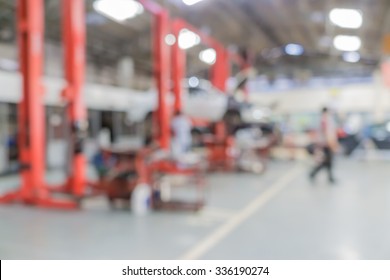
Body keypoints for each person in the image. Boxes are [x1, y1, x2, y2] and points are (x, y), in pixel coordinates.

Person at [309, 107, 339, 184]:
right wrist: (331, 143)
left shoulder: (324, 119)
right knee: (327, 160)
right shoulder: (324, 120)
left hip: (325, 143)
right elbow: (326, 133)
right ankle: (313, 173)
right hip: (326, 143)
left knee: (328, 161)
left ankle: (329, 177)